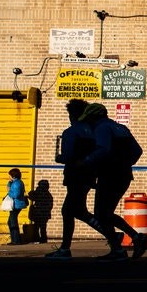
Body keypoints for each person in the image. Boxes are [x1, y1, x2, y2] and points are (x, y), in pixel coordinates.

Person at [76, 103, 147, 261]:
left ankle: (120, 248)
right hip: (123, 175)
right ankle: (133, 239)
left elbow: (103, 149)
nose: (88, 122)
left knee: (101, 214)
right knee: (106, 213)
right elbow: (138, 151)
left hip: (109, 175)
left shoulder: (101, 128)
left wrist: (86, 161)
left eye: (89, 119)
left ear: (95, 116)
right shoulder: (121, 128)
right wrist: (125, 163)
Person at [45, 99, 103, 259]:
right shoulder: (93, 132)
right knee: (78, 210)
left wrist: (60, 158)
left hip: (75, 175)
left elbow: (68, 156)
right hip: (90, 175)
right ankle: (110, 234)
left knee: (69, 210)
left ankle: (65, 249)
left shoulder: (71, 132)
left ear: (72, 115)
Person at [4, 168, 28, 245]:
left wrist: (9, 193)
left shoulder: (17, 184)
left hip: (16, 205)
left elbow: (16, 195)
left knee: (13, 222)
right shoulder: (16, 182)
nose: (9, 177)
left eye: (10, 175)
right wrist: (9, 184)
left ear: (13, 176)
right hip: (16, 204)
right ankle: (15, 239)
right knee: (10, 222)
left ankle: (16, 241)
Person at [26, 179, 53, 244]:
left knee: (36, 227)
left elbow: (31, 197)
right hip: (45, 214)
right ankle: (43, 239)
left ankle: (36, 239)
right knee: (43, 228)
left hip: (38, 213)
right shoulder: (48, 194)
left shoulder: (38, 192)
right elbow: (50, 205)